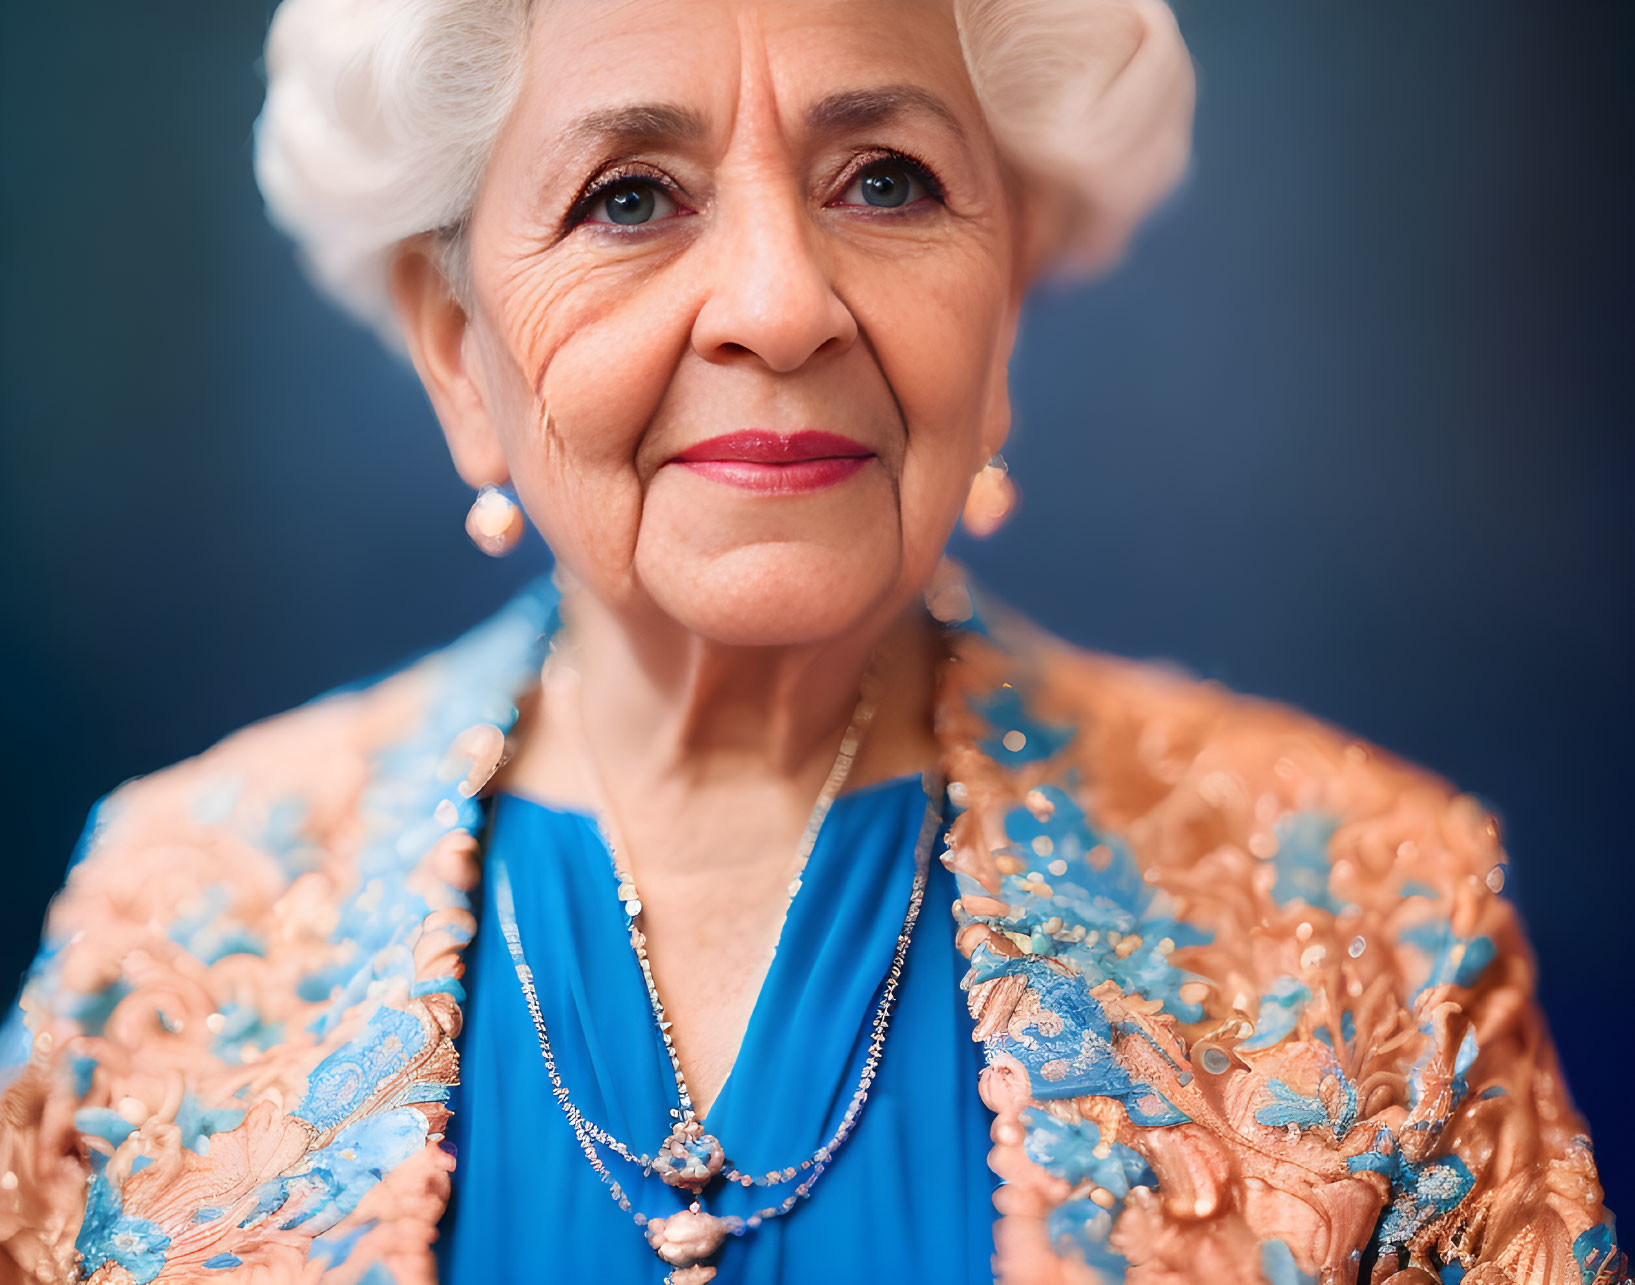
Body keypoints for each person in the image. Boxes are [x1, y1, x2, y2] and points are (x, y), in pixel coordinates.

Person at [0, 1, 1621, 1282]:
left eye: (887, 179)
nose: (781, 303)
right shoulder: (166, 921)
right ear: (454, 355)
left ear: (1002, 314)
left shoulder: (1373, 918)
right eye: (629, 197)